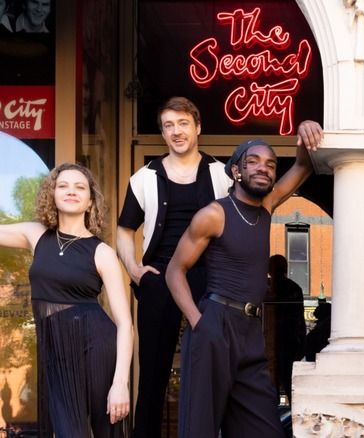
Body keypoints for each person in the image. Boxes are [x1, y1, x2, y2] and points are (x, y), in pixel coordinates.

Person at [166, 126, 322, 437]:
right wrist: (199, 323)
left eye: (271, 164)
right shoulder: (214, 214)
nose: (264, 167)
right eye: (254, 161)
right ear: (236, 170)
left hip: (251, 331)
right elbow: (174, 271)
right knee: (200, 429)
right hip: (215, 323)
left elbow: (303, 166)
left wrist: (305, 132)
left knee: (265, 430)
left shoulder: (267, 205)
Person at [116, 96, 234, 438]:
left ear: (198, 127)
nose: (176, 131)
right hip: (159, 277)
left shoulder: (222, 174)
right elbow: (125, 230)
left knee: (215, 367)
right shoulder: (144, 177)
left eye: (183, 123)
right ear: (163, 133)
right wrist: (134, 270)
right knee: (152, 372)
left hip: (211, 278)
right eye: (168, 125)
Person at [0, 163, 132, 437]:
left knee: (106, 430)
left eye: (79, 187)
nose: (71, 191)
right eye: (63, 185)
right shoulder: (36, 235)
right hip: (57, 351)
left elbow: (125, 324)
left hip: (96, 346)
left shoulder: (102, 252)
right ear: (53, 194)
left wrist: (121, 382)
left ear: (90, 201)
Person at [267, 254, 306, 403]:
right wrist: (301, 344)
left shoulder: (266, 288)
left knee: (270, 386)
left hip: (270, 343)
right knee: (289, 385)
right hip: (289, 343)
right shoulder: (294, 288)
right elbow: (299, 321)